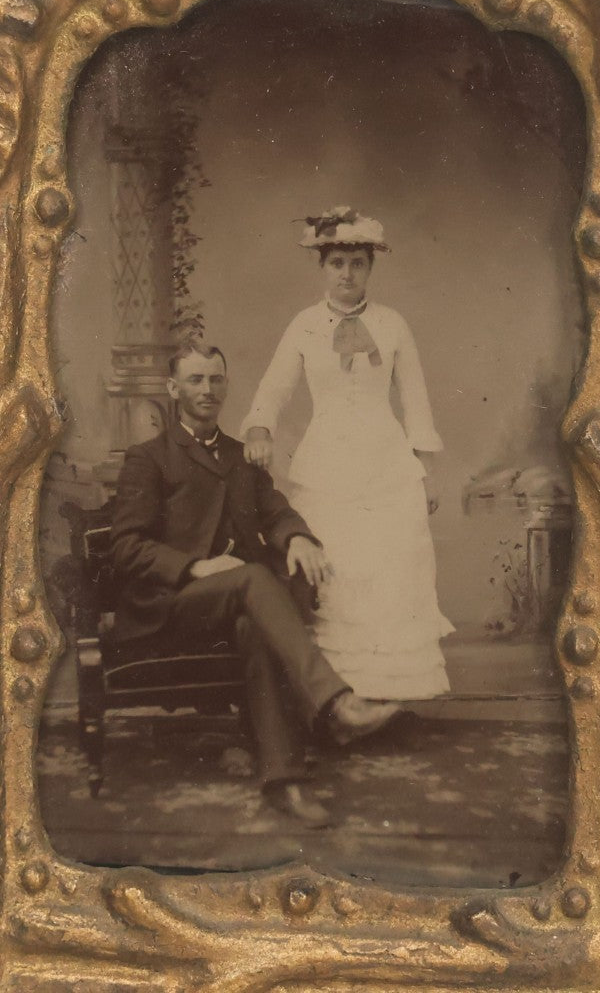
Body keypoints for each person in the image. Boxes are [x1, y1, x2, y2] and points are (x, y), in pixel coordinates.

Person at [109, 342, 400, 828]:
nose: (208, 389)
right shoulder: (149, 458)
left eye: (216, 379)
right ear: (173, 388)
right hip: (172, 606)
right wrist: (193, 568)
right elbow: (125, 547)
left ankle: (285, 782)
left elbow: (276, 510)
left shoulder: (242, 457)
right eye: (197, 380)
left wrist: (300, 538)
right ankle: (335, 704)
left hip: (238, 603)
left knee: (253, 625)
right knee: (254, 580)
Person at [242, 207, 452, 701]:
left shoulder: (393, 324)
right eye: (337, 262)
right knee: (336, 567)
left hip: (386, 462)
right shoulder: (304, 325)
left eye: (357, 263)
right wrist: (258, 427)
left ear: (370, 268)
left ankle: (392, 693)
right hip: (328, 462)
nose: (347, 274)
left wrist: (427, 471)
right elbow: (273, 389)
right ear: (322, 267)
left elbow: (416, 400)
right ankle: (336, 695)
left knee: (391, 565)